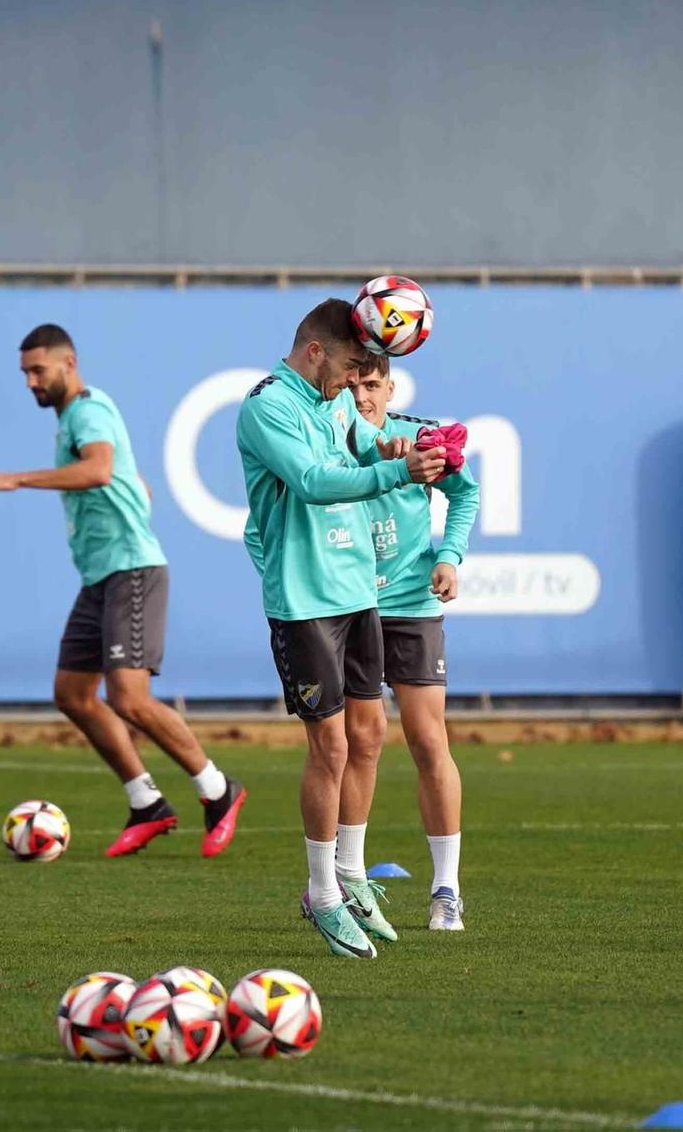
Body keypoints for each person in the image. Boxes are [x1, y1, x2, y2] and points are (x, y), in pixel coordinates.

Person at [0, 324, 245, 858]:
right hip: (100, 577)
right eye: (25, 373)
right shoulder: (78, 417)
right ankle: (146, 802)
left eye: (39, 370)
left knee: (128, 698)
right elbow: (117, 472)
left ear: (68, 363)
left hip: (132, 573)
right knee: (72, 694)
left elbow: (99, 469)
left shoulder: (87, 411)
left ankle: (218, 790)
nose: (31, 381)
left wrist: (16, 480)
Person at [237, 299, 443, 957]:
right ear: (317, 352)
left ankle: (351, 873)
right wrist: (394, 470)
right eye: (351, 367)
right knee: (328, 749)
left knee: (370, 733)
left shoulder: (337, 400)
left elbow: (358, 447)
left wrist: (389, 447)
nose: (358, 383)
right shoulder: (269, 404)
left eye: (367, 372)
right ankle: (322, 894)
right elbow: (315, 481)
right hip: (304, 600)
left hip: (359, 588)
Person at [347, 356, 479, 935]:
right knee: (359, 743)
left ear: (389, 387)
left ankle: (446, 889)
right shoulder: (321, 441)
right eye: (351, 386)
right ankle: (343, 883)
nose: (361, 396)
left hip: (411, 608)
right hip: (346, 604)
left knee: (428, 741)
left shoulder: (419, 438)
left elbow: (465, 494)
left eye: (371, 385)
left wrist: (449, 556)